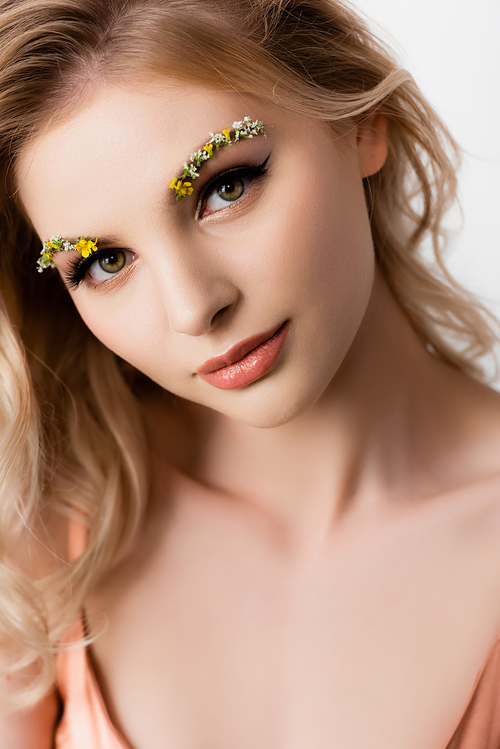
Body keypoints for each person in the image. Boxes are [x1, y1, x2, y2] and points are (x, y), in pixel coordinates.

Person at [1, 0, 500, 746]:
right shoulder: (41, 536)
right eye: (104, 262)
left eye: (224, 188)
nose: (193, 307)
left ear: (360, 122)